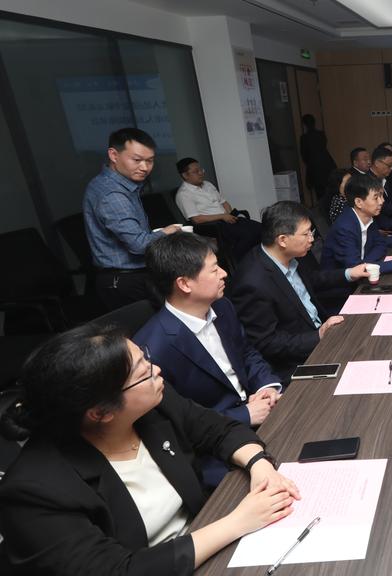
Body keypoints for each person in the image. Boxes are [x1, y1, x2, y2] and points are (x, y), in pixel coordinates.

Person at [0, 324, 299, 575]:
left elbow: (218, 429)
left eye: (147, 360)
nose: (157, 370)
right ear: (101, 412)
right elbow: (118, 570)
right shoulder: (34, 492)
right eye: (143, 374)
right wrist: (236, 523)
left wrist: (260, 466)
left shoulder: (152, 404)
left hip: (206, 544)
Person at [135, 233, 283, 486]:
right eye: (214, 270)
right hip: (216, 450)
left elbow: (246, 352)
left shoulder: (222, 307)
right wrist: (244, 415)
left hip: (263, 410)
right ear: (184, 284)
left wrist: (265, 386)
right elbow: (178, 425)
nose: (224, 274)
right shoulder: (152, 351)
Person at [228, 201, 367, 382]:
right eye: (306, 233)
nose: (312, 239)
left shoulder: (291, 254)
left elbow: (312, 280)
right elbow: (266, 343)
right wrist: (318, 336)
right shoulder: (253, 282)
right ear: (282, 240)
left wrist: (349, 273)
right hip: (299, 359)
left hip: (324, 332)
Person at [84, 127, 181, 311]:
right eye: (137, 160)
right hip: (124, 280)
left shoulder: (116, 184)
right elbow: (138, 244)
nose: (144, 167)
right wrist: (167, 232)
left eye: (150, 161)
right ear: (113, 155)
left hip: (129, 275)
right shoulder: (113, 194)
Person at [322, 174, 392, 274]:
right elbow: (356, 270)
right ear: (359, 202)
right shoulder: (344, 228)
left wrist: (365, 264)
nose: (382, 201)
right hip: (344, 283)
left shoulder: (367, 215)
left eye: (381, 196)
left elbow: (381, 244)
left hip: (364, 273)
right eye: (376, 197)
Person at [175, 157, 261, 263]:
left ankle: (255, 259)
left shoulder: (208, 184)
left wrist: (229, 214)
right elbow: (196, 219)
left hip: (227, 219)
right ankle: (240, 263)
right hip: (214, 226)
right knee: (248, 235)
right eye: (196, 171)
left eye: (201, 170)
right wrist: (222, 216)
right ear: (185, 175)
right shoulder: (184, 194)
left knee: (261, 229)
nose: (201, 173)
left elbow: (224, 202)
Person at [298, 114, 337, 197]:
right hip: (327, 163)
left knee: (320, 192)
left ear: (304, 125)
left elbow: (304, 154)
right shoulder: (321, 134)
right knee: (330, 189)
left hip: (314, 167)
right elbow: (324, 145)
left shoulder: (304, 137)